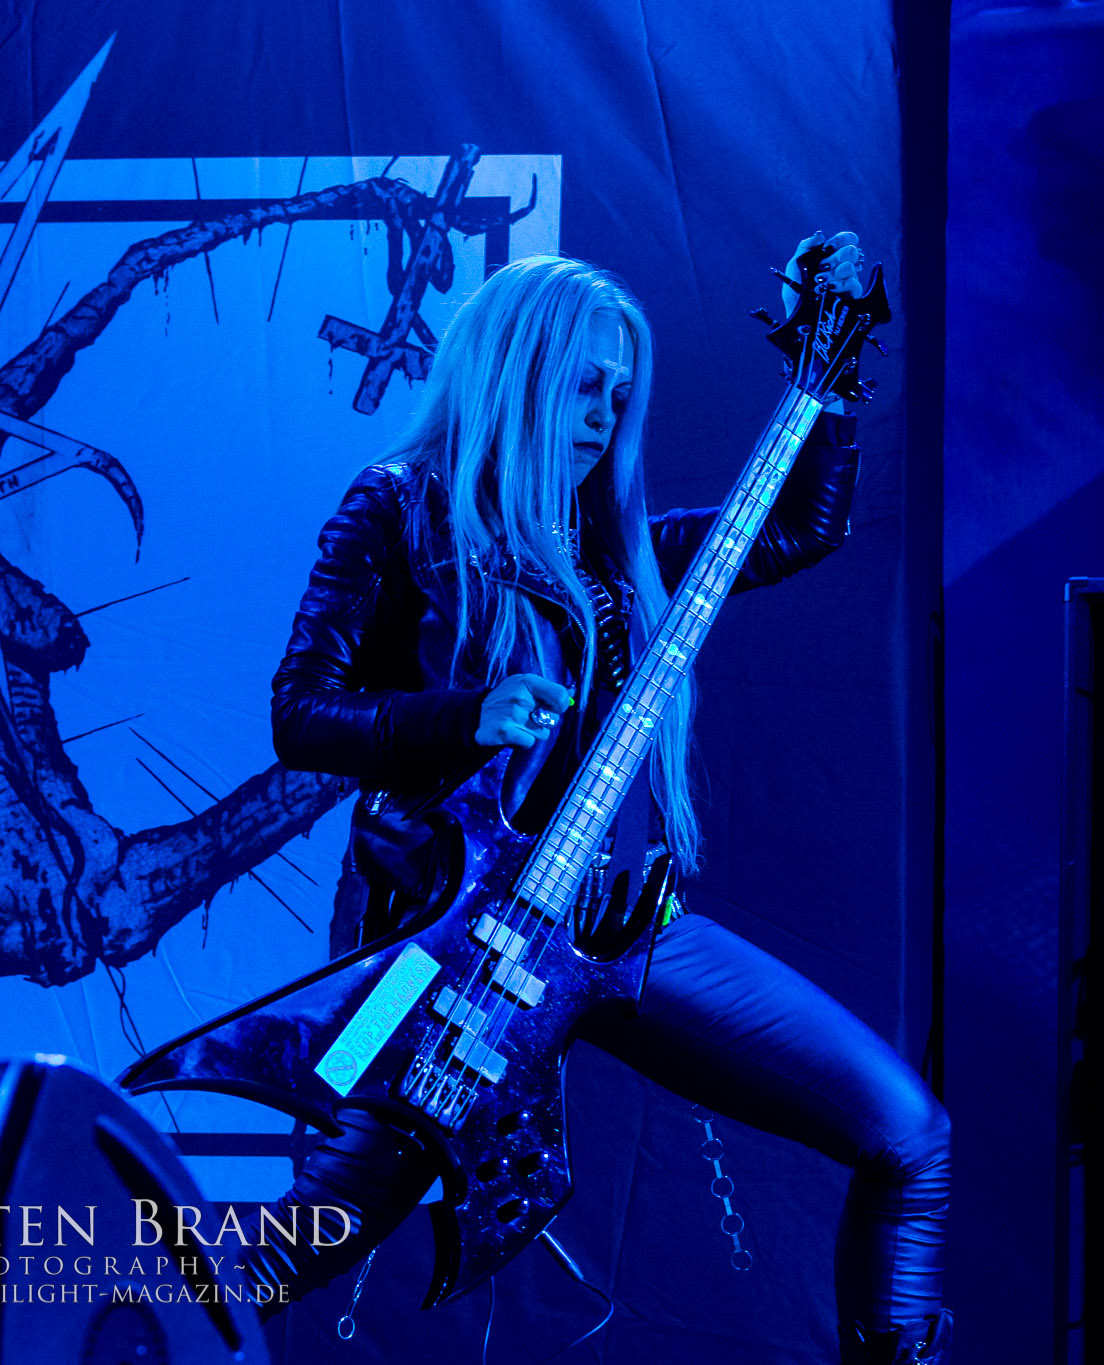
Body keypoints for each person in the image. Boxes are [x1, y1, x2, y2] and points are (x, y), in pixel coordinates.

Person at [238, 241, 951, 1363]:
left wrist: (827, 380)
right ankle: (68, 1330)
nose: (604, 416)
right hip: (434, 949)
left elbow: (798, 528)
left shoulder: (624, 557)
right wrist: (463, 716)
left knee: (908, 1135)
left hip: (622, 935)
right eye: (583, 385)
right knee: (309, 1231)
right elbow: (300, 713)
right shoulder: (399, 509)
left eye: (621, 394)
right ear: (514, 371)